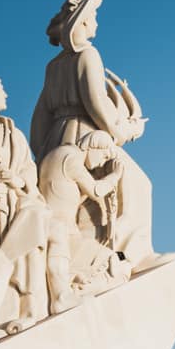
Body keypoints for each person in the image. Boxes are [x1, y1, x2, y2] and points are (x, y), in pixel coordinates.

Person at [30, 0, 154, 268]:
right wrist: (124, 131)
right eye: (94, 15)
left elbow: (40, 117)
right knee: (137, 186)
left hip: (56, 141)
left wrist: (42, 150)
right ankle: (130, 255)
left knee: (74, 210)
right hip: (88, 138)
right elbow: (96, 102)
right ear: (83, 21)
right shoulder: (88, 55)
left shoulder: (53, 67)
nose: (96, 21)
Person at [38, 130, 127, 312]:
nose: (101, 162)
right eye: (103, 156)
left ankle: (75, 287)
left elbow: (66, 194)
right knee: (113, 265)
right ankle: (64, 296)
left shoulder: (59, 154)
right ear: (94, 146)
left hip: (59, 224)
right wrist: (115, 176)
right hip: (60, 227)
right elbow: (95, 190)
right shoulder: (71, 158)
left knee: (112, 262)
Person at [0, 76, 49, 336]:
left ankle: (29, 309)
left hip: (12, 201)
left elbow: (28, 170)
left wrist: (17, 181)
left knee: (34, 221)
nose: (5, 92)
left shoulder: (12, 134)